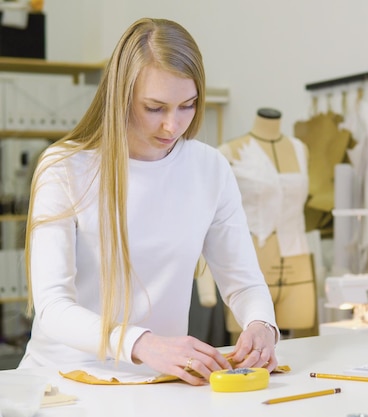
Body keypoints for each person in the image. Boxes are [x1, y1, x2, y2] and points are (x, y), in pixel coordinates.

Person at [18, 17, 279, 386]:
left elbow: (244, 282)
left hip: (162, 383)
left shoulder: (210, 168)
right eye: (155, 108)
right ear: (121, 97)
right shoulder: (64, 167)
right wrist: (140, 343)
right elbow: (53, 307)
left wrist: (261, 324)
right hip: (65, 382)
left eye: (187, 105)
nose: (173, 126)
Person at [219, 109, 316, 339]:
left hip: (297, 260)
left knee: (304, 350)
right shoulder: (229, 151)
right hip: (253, 261)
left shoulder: (299, 149)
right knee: (247, 349)